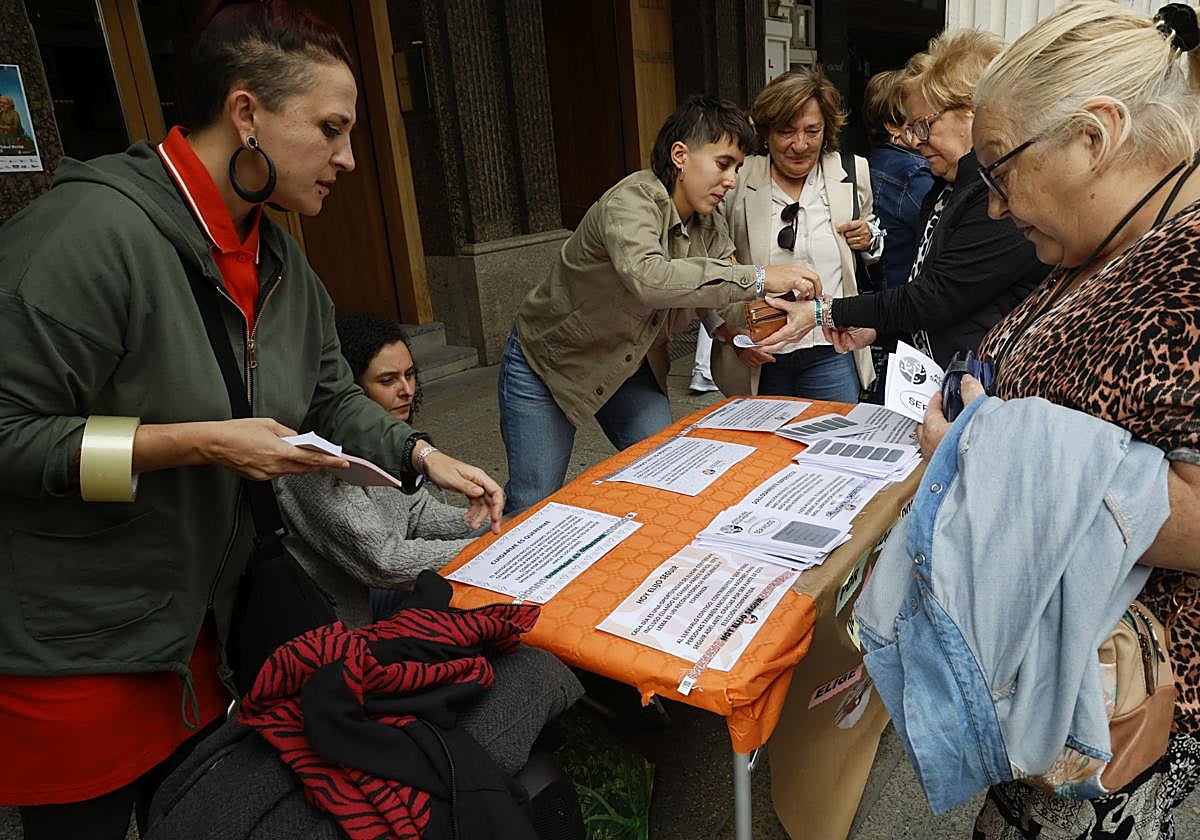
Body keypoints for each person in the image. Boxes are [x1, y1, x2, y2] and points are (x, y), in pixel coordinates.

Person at [0, 2, 503, 838]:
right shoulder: (86, 235)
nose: (348, 159)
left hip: (211, 631)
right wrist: (196, 445)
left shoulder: (279, 255)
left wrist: (419, 454)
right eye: (331, 129)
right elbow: (10, 432)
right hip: (80, 652)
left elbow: (330, 393)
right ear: (246, 114)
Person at [921, 3, 1200, 835]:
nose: (995, 208)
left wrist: (975, 451)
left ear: (1095, 134)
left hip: (1116, 699)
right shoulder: (1111, 241)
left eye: (1000, 171)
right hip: (1047, 670)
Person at [499, 94, 822, 514]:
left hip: (628, 366)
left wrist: (794, 314)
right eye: (723, 164)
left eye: (737, 168)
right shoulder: (631, 201)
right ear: (680, 155)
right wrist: (760, 277)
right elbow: (650, 279)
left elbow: (727, 298)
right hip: (549, 364)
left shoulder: (709, 223)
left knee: (669, 470)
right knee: (532, 503)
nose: (731, 180)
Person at [767, 29, 1050, 370]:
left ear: (973, 113)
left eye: (924, 126)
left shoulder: (998, 195)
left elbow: (935, 297)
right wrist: (877, 331)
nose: (915, 141)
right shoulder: (943, 188)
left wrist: (824, 311)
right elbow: (939, 307)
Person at [276, 311, 483, 627]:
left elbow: (419, 513)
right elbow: (384, 561)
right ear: (350, 389)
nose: (407, 390)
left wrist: (502, 524)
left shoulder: (393, 442)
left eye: (410, 374)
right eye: (388, 380)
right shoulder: (311, 464)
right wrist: (488, 551)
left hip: (381, 589)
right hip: (344, 623)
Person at [706, 68, 883, 402]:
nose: (800, 145)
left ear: (827, 130)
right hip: (760, 351)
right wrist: (728, 334)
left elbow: (873, 244)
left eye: (812, 131)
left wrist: (869, 239)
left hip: (830, 346)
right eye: (786, 131)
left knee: (831, 434)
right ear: (766, 132)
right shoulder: (738, 180)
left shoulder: (851, 172)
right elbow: (706, 266)